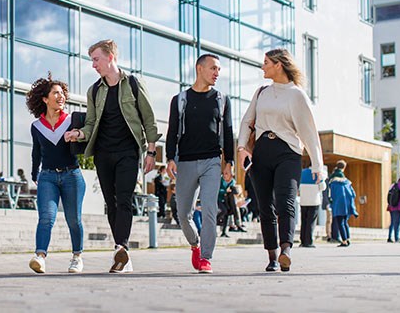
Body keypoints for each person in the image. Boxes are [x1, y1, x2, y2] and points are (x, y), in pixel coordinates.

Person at [64, 39, 160, 273]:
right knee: (111, 202)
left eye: (96, 59)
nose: (93, 65)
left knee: (124, 198)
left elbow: (149, 119)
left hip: (128, 151)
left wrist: (151, 151)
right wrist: (78, 133)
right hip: (103, 153)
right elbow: (90, 124)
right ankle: (121, 256)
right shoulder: (94, 90)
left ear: (110, 57)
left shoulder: (134, 84)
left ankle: (121, 246)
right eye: (92, 60)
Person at [237, 48, 323, 273]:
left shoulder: (296, 94)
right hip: (262, 154)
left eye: (266, 62)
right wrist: (241, 148)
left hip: (288, 154)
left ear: (279, 65)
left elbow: (309, 132)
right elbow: (247, 121)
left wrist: (317, 165)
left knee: (286, 202)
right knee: (265, 206)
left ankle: (286, 250)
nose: (262, 66)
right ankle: (272, 256)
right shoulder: (261, 92)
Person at [165, 53, 234, 274]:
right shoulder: (180, 100)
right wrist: (169, 158)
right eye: (213, 68)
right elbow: (172, 131)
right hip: (185, 161)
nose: (217, 73)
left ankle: (206, 257)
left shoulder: (222, 100)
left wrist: (229, 162)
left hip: (212, 161)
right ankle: (195, 244)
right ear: (199, 69)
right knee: (183, 213)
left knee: (210, 210)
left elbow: (229, 132)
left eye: (219, 70)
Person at [24, 75, 86, 274]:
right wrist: (35, 173)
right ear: (45, 99)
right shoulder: (36, 126)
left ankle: (77, 257)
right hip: (48, 177)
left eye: (62, 93)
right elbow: (36, 151)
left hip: (72, 176)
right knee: (46, 217)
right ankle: (40, 257)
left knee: (74, 219)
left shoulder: (72, 120)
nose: (61, 96)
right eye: (56, 93)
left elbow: (86, 141)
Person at [329, 161, 358, 247]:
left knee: (340, 222)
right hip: (347, 204)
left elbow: (330, 195)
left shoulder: (332, 182)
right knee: (345, 222)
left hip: (338, 204)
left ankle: (344, 240)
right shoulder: (347, 182)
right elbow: (353, 194)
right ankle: (348, 239)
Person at [299, 166, 323, 248]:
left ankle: (302, 241)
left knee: (304, 221)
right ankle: (308, 242)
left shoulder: (302, 172)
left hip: (303, 200)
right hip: (314, 200)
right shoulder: (318, 173)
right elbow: (323, 187)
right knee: (311, 221)